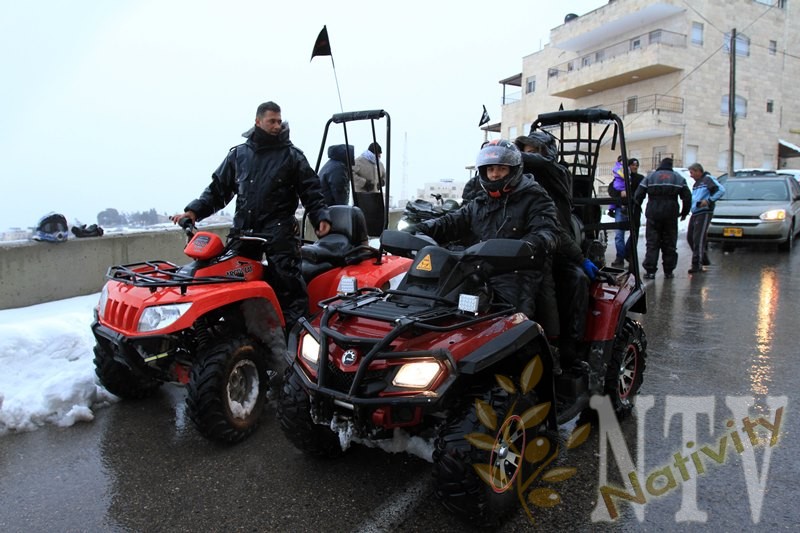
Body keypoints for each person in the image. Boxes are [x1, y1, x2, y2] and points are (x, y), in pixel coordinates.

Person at [171, 101, 331, 331]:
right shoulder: (239, 155)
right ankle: (236, 330)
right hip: (244, 231)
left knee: (288, 284)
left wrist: (320, 217)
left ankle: (295, 336)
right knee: (226, 277)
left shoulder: (292, 156)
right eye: (271, 121)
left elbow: (311, 190)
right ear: (258, 121)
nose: (277, 126)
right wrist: (194, 211)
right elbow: (218, 190)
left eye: (279, 121)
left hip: (279, 231)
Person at [414, 139, 560, 324]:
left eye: (501, 169)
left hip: (515, 273)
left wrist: (529, 245)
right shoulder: (480, 202)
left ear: (513, 170)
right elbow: (451, 221)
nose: (495, 174)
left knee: (506, 327)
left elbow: (548, 231)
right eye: (490, 170)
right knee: (434, 308)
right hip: (475, 270)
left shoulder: (535, 197)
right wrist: (420, 229)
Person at [515, 131, 598, 368]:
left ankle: (568, 349)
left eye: (532, 152)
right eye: (524, 151)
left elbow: (557, 230)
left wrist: (581, 259)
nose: (525, 156)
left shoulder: (556, 173)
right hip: (518, 250)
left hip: (555, 244)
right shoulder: (512, 179)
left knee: (575, 280)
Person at [633, 157, 692, 279]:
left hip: (653, 213)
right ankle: (668, 271)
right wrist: (684, 212)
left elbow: (638, 195)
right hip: (671, 214)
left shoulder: (650, 177)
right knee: (670, 244)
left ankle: (650, 271)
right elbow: (687, 197)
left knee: (652, 243)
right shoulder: (678, 178)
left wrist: (637, 207)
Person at [687, 163, 725, 274]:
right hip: (695, 212)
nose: (691, 175)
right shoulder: (696, 184)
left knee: (698, 238)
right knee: (690, 237)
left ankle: (696, 265)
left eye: (692, 173)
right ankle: (703, 257)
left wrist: (708, 201)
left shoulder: (708, 179)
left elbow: (721, 190)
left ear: (698, 171)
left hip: (704, 212)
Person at [608, 157, 645, 268]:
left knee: (634, 233)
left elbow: (642, 193)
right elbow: (611, 190)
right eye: (633, 165)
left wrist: (633, 198)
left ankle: (628, 254)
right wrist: (620, 193)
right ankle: (620, 257)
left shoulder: (640, 178)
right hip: (620, 208)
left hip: (634, 209)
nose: (635, 167)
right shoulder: (619, 178)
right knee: (619, 234)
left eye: (637, 165)